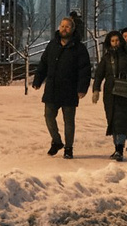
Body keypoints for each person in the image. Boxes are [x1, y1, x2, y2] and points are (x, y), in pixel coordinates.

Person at [35, 14, 90, 158]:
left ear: (72, 29)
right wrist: (38, 80)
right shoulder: (52, 45)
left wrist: (82, 88)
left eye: (67, 26)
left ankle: (68, 148)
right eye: (62, 26)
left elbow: (84, 70)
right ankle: (57, 141)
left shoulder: (79, 48)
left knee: (69, 121)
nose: (64, 29)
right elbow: (43, 63)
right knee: (48, 117)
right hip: (52, 88)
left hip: (70, 89)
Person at [94, 28, 127, 160]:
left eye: (117, 40)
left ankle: (119, 148)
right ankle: (117, 147)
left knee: (122, 120)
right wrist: (96, 90)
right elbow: (99, 75)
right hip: (110, 93)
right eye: (113, 41)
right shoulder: (106, 58)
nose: (115, 43)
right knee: (112, 120)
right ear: (109, 42)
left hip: (125, 92)